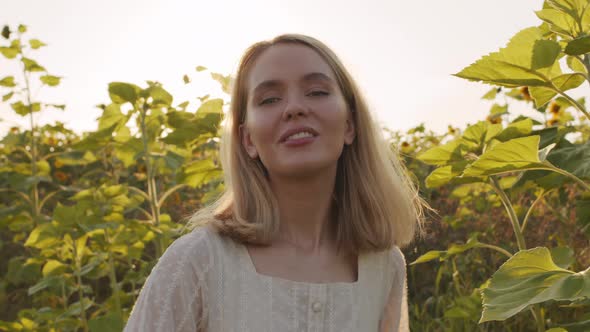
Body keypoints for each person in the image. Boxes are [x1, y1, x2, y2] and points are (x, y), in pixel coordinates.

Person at [124, 33, 426, 332]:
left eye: (317, 92)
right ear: (248, 140)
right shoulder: (199, 262)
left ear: (349, 124)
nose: (294, 108)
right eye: (269, 99)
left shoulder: (385, 266)